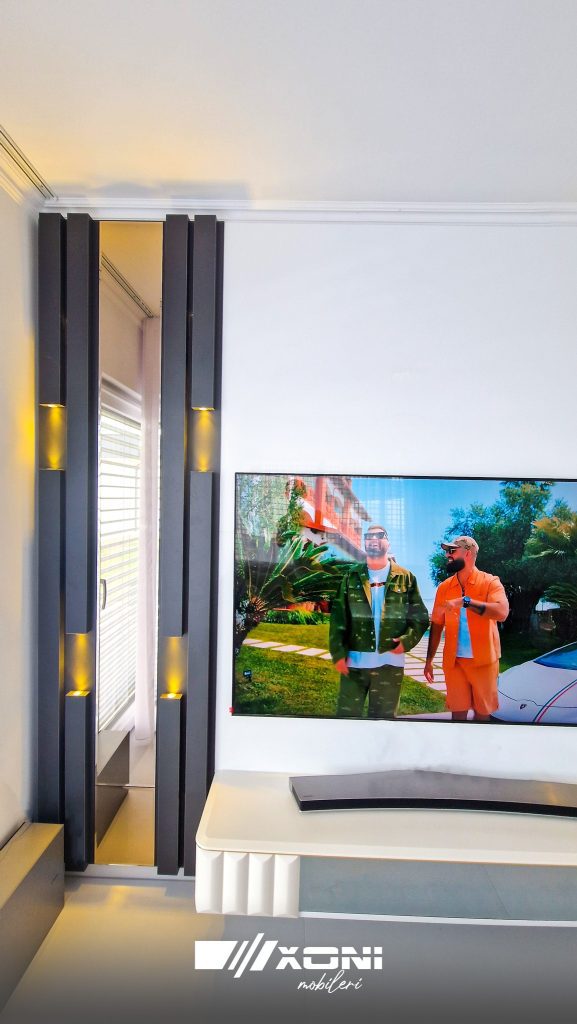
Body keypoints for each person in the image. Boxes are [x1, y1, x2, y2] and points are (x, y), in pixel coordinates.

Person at [330, 525, 429, 719]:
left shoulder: (406, 578)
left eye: (379, 535)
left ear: (388, 542)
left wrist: (407, 641)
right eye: (369, 536)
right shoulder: (351, 576)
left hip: (390, 665)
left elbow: (420, 618)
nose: (373, 539)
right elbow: (339, 616)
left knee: (383, 722)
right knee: (346, 719)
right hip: (354, 664)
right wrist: (338, 653)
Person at [424, 536, 509, 722]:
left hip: (484, 662)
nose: (447, 555)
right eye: (447, 551)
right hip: (454, 663)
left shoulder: (490, 582)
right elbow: (437, 624)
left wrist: (466, 602)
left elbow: (502, 612)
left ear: (468, 553)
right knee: (458, 714)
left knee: (482, 715)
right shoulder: (444, 588)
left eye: (452, 551)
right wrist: (429, 660)